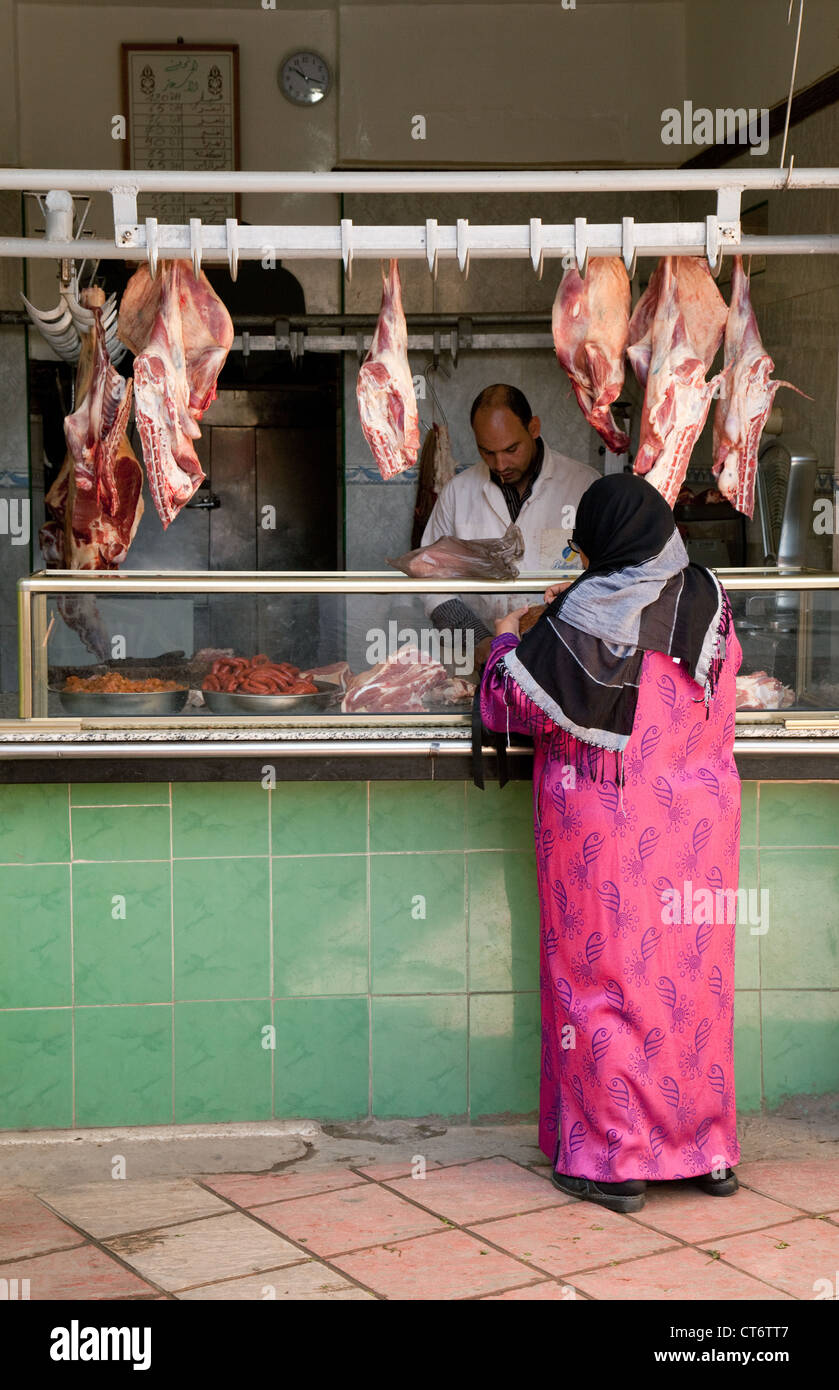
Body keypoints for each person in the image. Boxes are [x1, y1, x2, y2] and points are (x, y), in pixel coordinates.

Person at [478, 473, 742, 1214]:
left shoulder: (586, 615)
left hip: (607, 828)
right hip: (699, 828)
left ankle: (612, 1158)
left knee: (603, 983)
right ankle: (706, 1147)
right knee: (693, 983)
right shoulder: (706, 595)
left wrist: (505, 632)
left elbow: (510, 703)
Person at [421, 384, 598, 665]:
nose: (500, 463)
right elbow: (431, 582)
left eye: (511, 449)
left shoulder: (584, 485)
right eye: (487, 452)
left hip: (561, 657)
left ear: (534, 428)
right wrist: (478, 640)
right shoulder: (458, 493)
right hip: (482, 661)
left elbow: (606, 578)